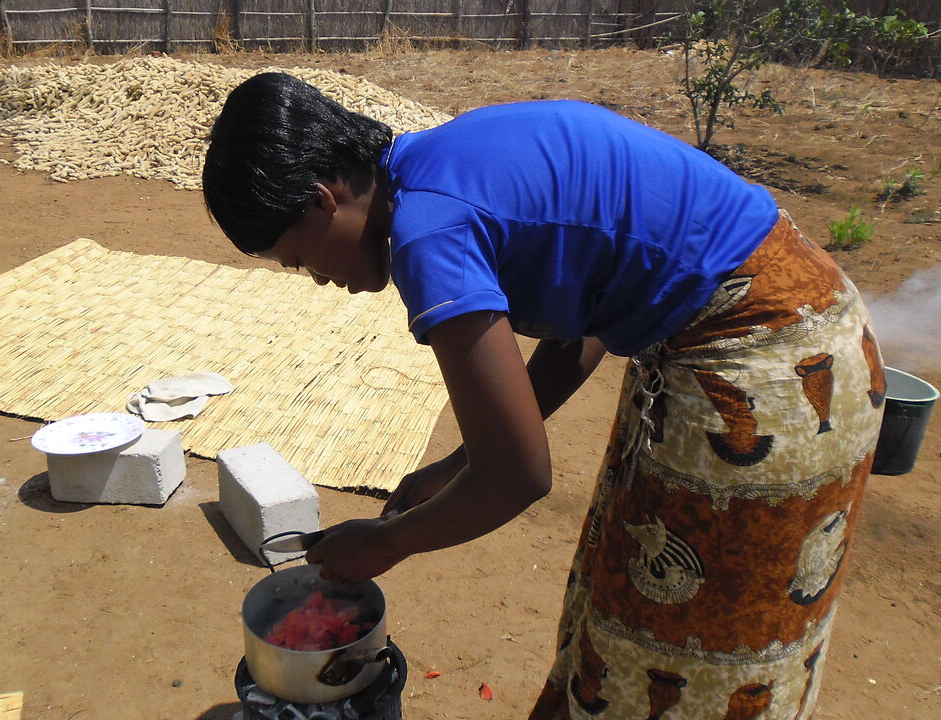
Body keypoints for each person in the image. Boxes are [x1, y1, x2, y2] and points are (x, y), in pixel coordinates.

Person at [202, 72, 886, 720]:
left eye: (298, 259)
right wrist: (457, 467)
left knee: (673, 658)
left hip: (770, 374)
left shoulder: (429, 233)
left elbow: (520, 478)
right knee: (626, 611)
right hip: (795, 323)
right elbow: (576, 334)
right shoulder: (438, 161)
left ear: (322, 200)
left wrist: (388, 541)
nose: (317, 279)